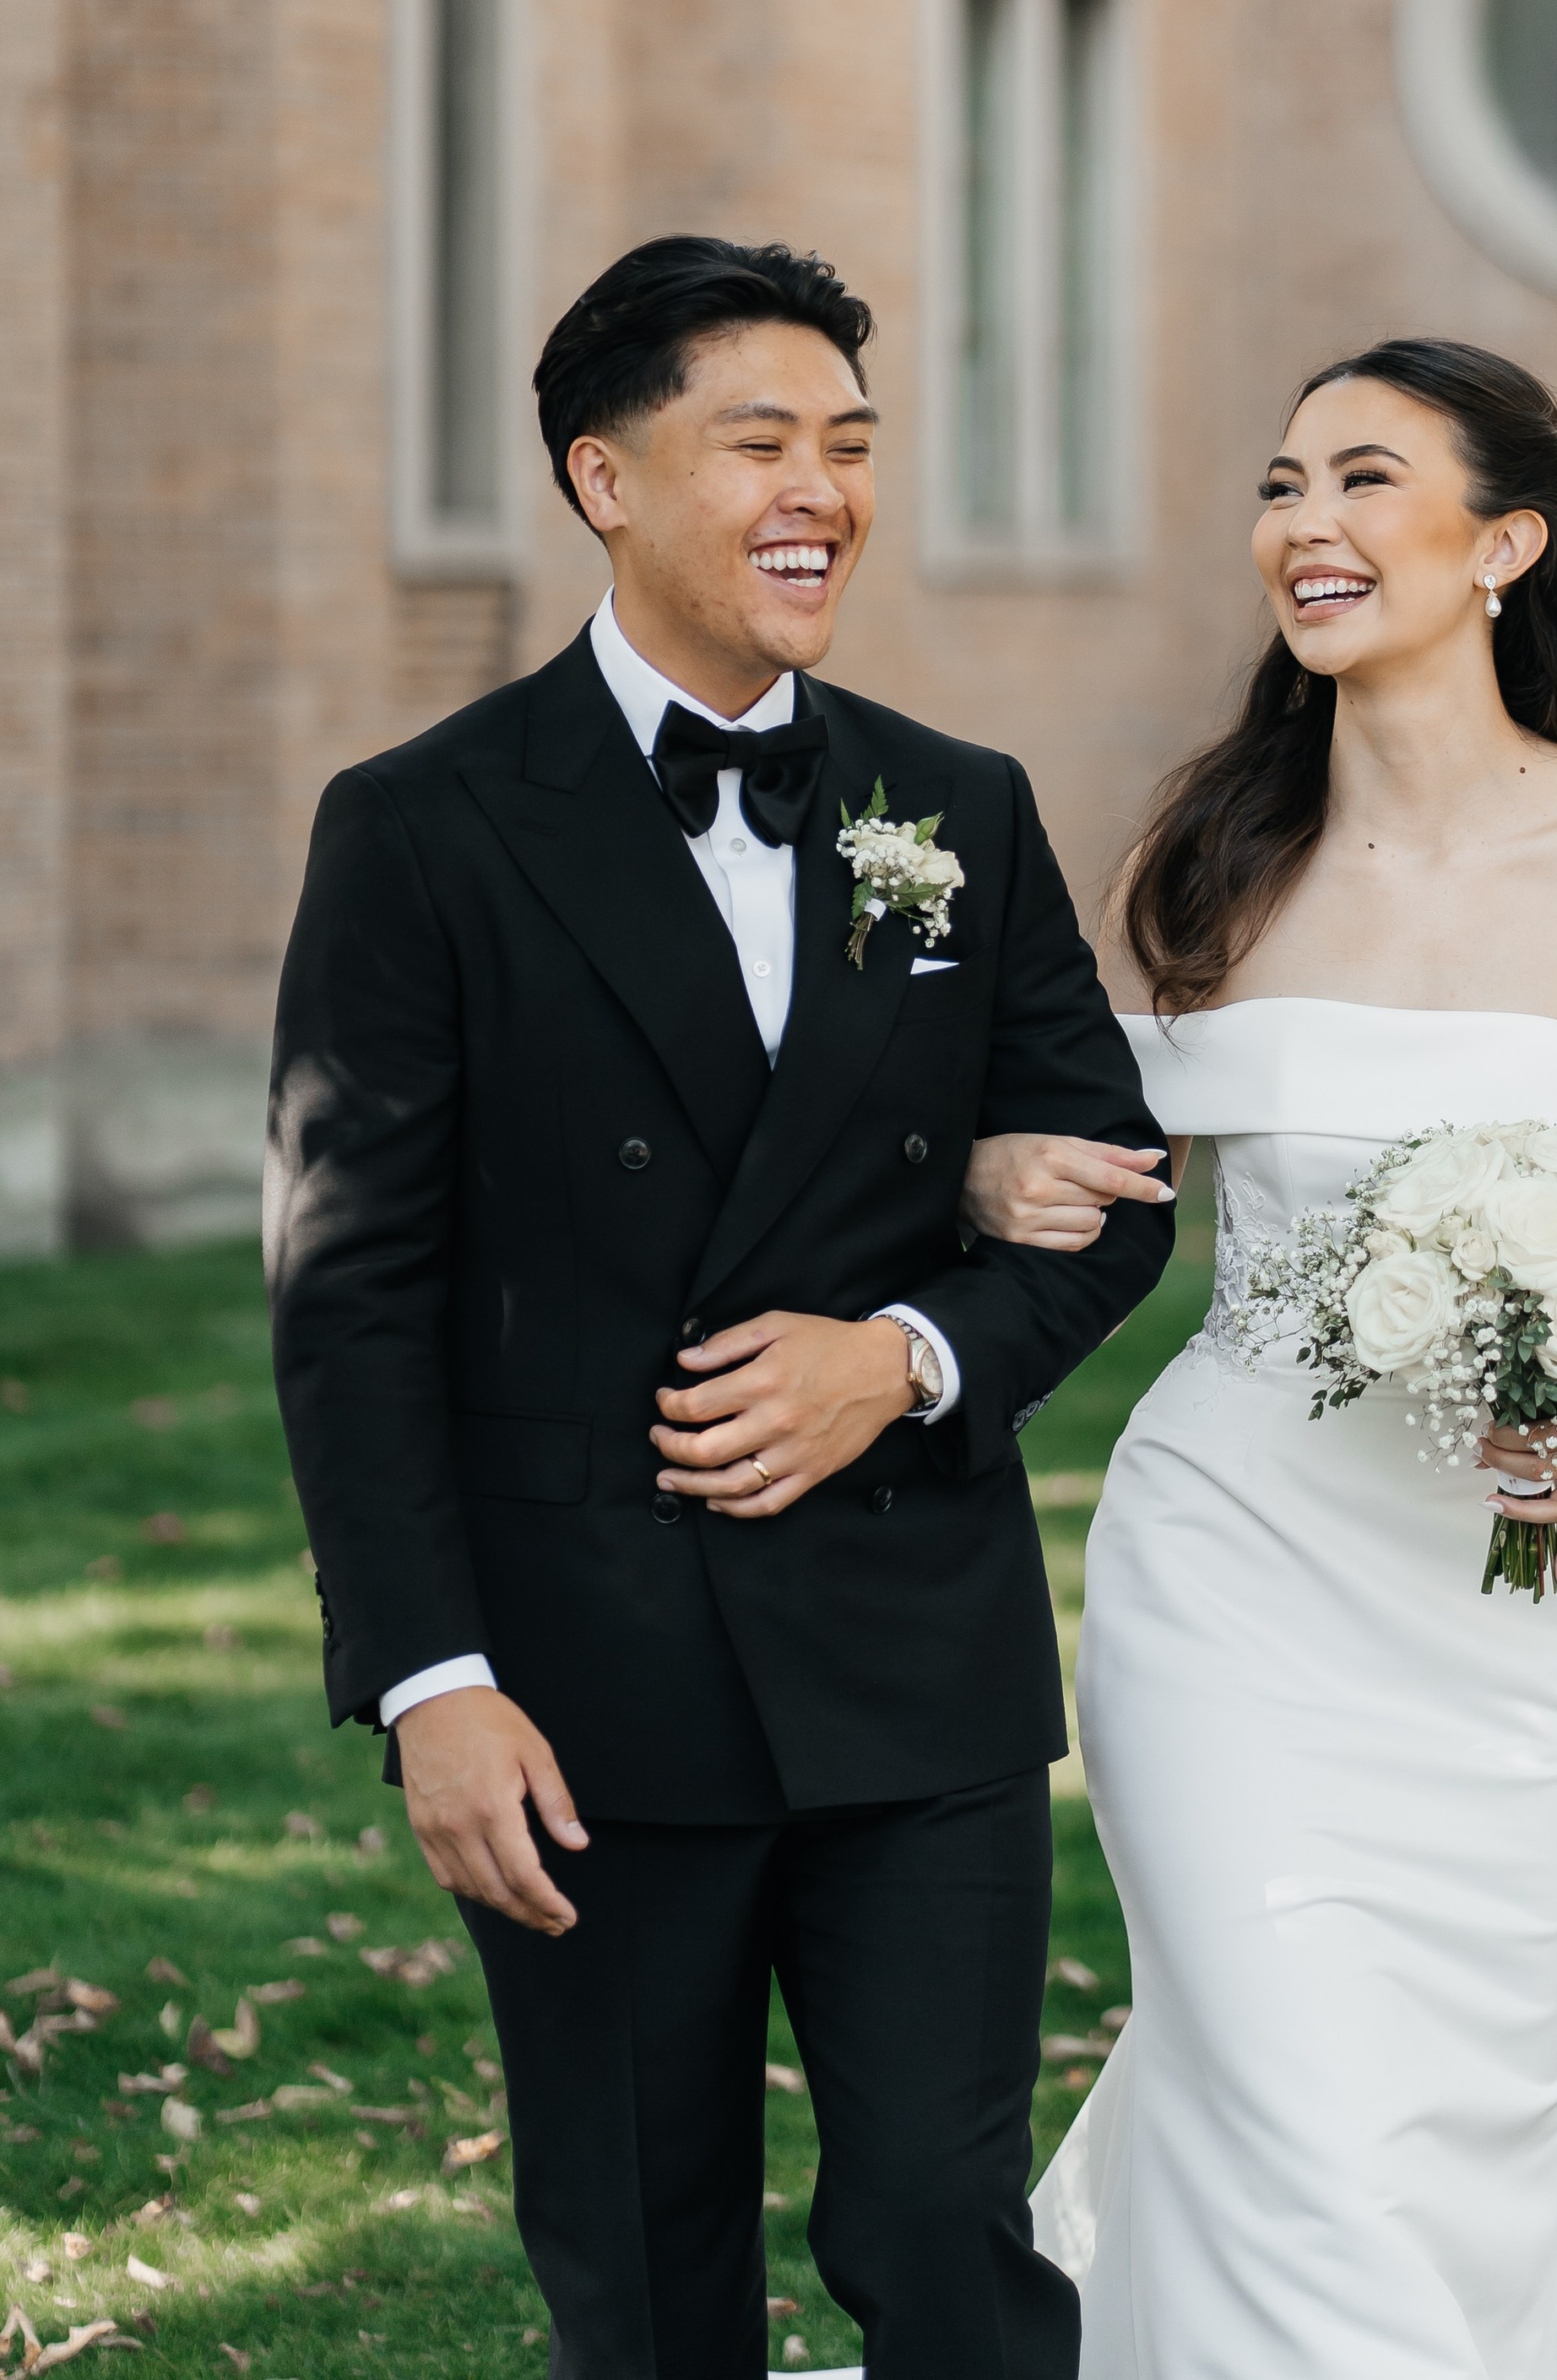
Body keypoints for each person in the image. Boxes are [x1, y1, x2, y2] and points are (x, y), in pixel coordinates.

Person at [267, 236, 1176, 2380]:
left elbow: (1107, 1197)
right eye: (757, 440)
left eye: (850, 448)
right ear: (603, 476)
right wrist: (429, 1682)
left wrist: (909, 1355)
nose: (821, 492)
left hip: (913, 1663)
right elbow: (353, 1295)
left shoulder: (949, 804)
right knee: (646, 2267)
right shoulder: (420, 829)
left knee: (950, 2238)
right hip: (585, 1686)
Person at [960, 338, 1557, 2379]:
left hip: (1528, 1625)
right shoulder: (1224, 863)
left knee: (1439, 2147)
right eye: (1278, 483)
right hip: (1233, 1574)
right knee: (1288, 2093)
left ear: (1504, 540)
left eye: (1361, 481)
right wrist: (988, 1171)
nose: (1301, 526)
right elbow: (1100, 1159)